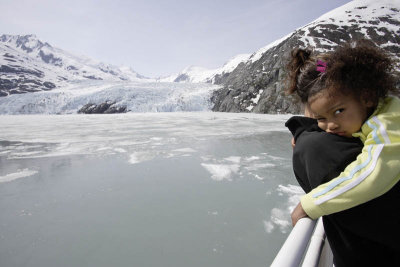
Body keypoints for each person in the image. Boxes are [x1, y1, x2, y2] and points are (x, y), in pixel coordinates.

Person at [285, 40, 400, 265]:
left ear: (366, 96)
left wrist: (311, 203)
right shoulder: (366, 113)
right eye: (321, 119)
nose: (331, 126)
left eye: (339, 111)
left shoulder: (389, 121)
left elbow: (373, 172)